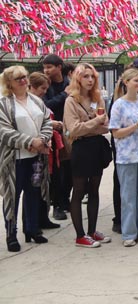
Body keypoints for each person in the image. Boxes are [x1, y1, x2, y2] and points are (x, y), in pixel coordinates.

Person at [0, 66, 53, 252]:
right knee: (12, 197)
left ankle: (32, 229)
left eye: (24, 77)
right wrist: (30, 141)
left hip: (36, 158)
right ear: (9, 83)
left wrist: (43, 140)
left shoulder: (36, 100)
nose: (23, 81)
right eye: (18, 78)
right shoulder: (3, 103)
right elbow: (3, 131)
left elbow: (47, 121)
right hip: (15, 160)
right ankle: (11, 235)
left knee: (34, 193)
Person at [108, 69, 138, 247]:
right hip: (127, 156)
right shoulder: (118, 105)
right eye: (135, 80)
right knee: (128, 195)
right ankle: (129, 233)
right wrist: (136, 125)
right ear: (126, 82)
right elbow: (116, 133)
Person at [63, 64, 111, 248]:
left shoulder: (98, 98)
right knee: (79, 190)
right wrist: (94, 122)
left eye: (92, 76)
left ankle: (92, 231)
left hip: (97, 145)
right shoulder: (71, 101)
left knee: (94, 189)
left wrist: (90, 124)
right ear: (77, 79)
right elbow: (74, 129)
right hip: (81, 148)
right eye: (85, 76)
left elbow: (105, 125)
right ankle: (80, 235)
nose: (90, 80)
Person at [27, 72, 62, 231]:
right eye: (42, 88)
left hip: (47, 147)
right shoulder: (27, 103)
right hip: (35, 148)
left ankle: (43, 217)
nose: (44, 92)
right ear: (31, 87)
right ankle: (32, 224)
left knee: (45, 184)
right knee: (34, 187)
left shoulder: (39, 102)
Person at [42, 54, 71, 222]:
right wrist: (64, 96)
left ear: (59, 67)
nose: (46, 70)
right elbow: (46, 105)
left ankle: (65, 199)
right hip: (53, 132)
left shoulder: (70, 83)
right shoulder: (46, 85)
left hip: (70, 131)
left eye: (49, 67)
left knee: (70, 170)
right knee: (57, 171)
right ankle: (57, 205)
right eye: (45, 67)